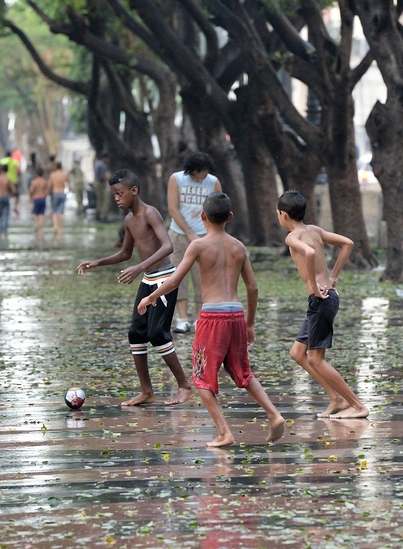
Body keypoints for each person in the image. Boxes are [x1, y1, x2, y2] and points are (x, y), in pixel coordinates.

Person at [138, 192, 284, 447]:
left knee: (201, 377)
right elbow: (253, 287)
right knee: (243, 372)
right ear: (230, 217)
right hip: (236, 314)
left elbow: (174, 281)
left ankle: (224, 432)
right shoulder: (239, 246)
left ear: (202, 217)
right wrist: (250, 323)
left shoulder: (198, 246)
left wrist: (151, 297)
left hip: (212, 317)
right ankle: (274, 414)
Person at [77, 169, 194, 406]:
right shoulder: (129, 220)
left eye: (120, 193)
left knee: (156, 334)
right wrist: (97, 262)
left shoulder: (150, 213)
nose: (117, 198)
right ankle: (146, 391)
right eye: (114, 195)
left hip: (164, 280)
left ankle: (185, 386)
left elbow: (167, 246)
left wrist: (139, 267)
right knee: (136, 333)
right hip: (148, 280)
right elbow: (125, 253)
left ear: (134, 191)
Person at [276, 190, 368, 419]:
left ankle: (357, 405)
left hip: (320, 299)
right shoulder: (314, 230)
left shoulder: (292, 237)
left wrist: (316, 289)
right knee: (298, 353)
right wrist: (333, 276)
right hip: (325, 299)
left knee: (316, 359)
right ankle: (335, 399)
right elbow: (347, 243)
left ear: (283, 215)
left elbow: (308, 252)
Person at [167, 151, 222, 334]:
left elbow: (219, 209)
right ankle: (182, 319)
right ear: (192, 171)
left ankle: (200, 319)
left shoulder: (213, 182)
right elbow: (173, 208)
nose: (202, 178)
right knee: (177, 277)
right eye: (200, 174)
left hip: (205, 236)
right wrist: (189, 233)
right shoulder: (177, 179)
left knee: (202, 278)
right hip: (179, 234)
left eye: (206, 173)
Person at [48, 161, 70, 240]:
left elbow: (50, 185)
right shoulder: (64, 175)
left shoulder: (53, 175)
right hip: (62, 193)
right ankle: (61, 228)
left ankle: (55, 226)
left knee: (54, 211)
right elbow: (69, 185)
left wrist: (49, 192)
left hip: (55, 192)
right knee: (62, 211)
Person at [28, 167, 49, 237]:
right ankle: (41, 228)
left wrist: (30, 197)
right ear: (43, 174)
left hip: (36, 199)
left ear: (37, 174)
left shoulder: (34, 182)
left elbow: (31, 190)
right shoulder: (44, 181)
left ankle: (36, 225)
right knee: (42, 214)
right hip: (42, 198)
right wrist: (45, 195)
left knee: (36, 213)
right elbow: (47, 191)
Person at [0, 166, 14, 238]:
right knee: (6, 214)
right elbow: (14, 190)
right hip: (5, 197)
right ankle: (5, 230)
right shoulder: (8, 179)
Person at [93, 154, 111, 222]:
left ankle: (98, 215)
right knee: (104, 200)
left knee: (99, 200)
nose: (108, 161)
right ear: (105, 158)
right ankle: (104, 216)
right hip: (100, 184)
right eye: (108, 159)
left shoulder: (97, 163)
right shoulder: (102, 165)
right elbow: (102, 176)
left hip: (97, 183)